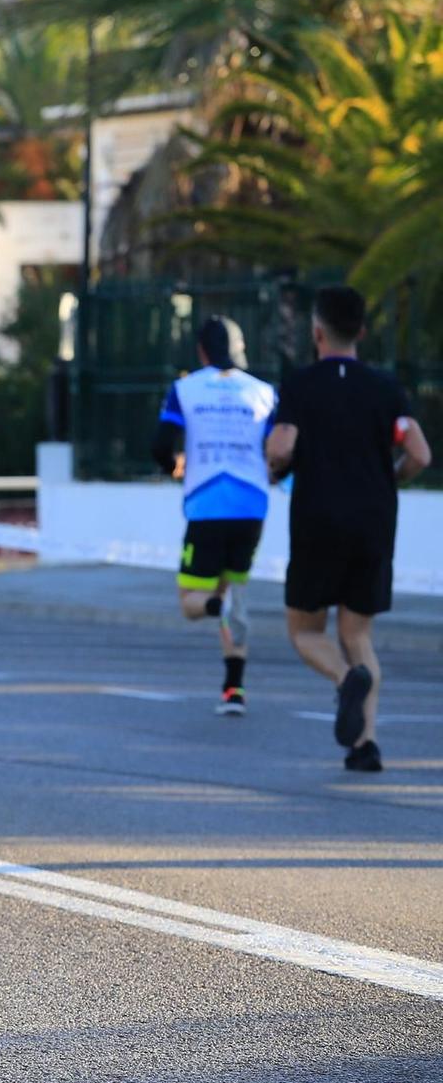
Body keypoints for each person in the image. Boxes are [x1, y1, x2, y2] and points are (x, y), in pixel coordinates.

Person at [267, 285, 432, 771]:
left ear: (317, 332)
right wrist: (392, 477)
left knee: (305, 630)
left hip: (317, 519)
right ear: (361, 331)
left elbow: (281, 447)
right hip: (374, 522)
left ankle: (344, 681)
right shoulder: (387, 389)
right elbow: (419, 453)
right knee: (358, 635)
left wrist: (277, 466)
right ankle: (365, 746)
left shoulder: (300, 386)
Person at [150, 316, 276, 715]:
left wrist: (173, 463)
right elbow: (283, 449)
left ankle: (215, 608)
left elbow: (160, 445)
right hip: (252, 504)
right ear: (241, 349)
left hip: (207, 504)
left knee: (192, 600)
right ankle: (233, 691)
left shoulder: (185, 389)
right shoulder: (264, 392)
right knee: (233, 591)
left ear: (202, 351)